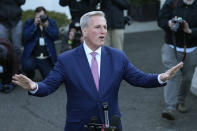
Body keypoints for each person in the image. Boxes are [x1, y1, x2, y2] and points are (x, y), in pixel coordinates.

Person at [13, 11, 183, 131]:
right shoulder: (66, 59)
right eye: (97, 27)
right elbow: (49, 86)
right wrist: (34, 86)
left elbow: (139, 78)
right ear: (84, 31)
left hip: (111, 124)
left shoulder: (118, 56)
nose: (103, 31)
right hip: (79, 125)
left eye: (105, 27)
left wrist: (161, 77)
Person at [157, 0, 197, 120]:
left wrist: (190, 31)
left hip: (192, 49)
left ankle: (180, 101)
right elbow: (160, 20)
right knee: (172, 75)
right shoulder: (172, 2)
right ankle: (170, 107)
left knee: (187, 77)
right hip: (171, 46)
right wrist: (168, 24)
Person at [22, 6, 58, 80]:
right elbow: (25, 37)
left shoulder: (51, 22)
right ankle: (30, 74)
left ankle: (45, 70)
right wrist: (34, 25)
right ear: (35, 16)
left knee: (49, 78)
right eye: (38, 16)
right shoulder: (30, 22)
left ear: (46, 15)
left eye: (42, 16)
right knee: (26, 66)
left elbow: (56, 36)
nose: (40, 18)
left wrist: (47, 26)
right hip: (33, 57)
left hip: (45, 58)